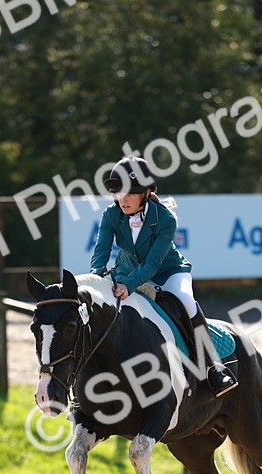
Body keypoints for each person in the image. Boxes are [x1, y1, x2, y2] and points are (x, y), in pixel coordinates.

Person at [90, 156, 237, 396]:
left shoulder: (166, 219)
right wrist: (96, 277)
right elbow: (101, 250)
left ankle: (214, 367)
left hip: (167, 272)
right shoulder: (111, 214)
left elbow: (151, 264)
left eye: (130, 193)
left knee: (186, 302)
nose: (123, 199)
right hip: (126, 270)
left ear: (147, 192)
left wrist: (128, 284)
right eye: (118, 192)